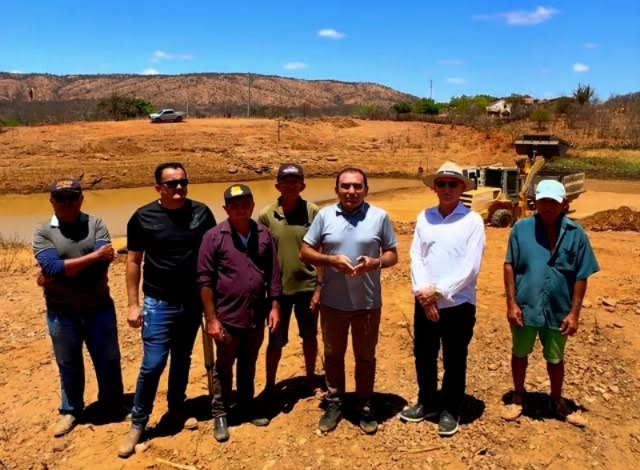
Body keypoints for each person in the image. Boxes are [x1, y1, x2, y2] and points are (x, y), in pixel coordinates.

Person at [118, 163, 216, 458]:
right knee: (153, 363)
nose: (179, 188)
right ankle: (138, 423)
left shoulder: (202, 213)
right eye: (171, 184)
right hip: (158, 302)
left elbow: (213, 255)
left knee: (182, 358)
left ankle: (176, 407)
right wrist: (133, 304)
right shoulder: (142, 217)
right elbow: (133, 261)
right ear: (158, 188)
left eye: (183, 182)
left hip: (192, 302)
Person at [300, 168, 398, 435]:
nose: (351, 191)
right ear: (336, 190)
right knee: (333, 355)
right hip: (333, 303)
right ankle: (335, 401)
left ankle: (364, 402)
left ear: (366, 190)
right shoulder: (324, 216)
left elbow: (392, 254)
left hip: (367, 303)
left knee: (365, 357)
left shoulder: (379, 216)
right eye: (345, 186)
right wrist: (330, 260)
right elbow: (305, 252)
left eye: (357, 186)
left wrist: (375, 262)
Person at [502, 179, 599, 424]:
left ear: (564, 203)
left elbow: (581, 275)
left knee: (555, 358)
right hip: (526, 307)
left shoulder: (577, 235)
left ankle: (556, 399)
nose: (547, 206)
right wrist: (511, 304)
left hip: (558, 310)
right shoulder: (520, 229)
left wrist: (574, 314)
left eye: (553, 202)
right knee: (519, 353)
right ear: (535, 202)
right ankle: (518, 396)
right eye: (543, 201)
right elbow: (509, 265)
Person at [33, 178, 123, 437]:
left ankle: (112, 404)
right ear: (52, 201)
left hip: (99, 308)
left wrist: (60, 271)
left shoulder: (96, 224)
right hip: (62, 313)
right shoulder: (43, 231)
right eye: (61, 198)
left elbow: (101, 265)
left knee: (108, 360)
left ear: (81, 199)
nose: (67, 202)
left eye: (72, 197)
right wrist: (91, 257)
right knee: (68, 362)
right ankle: (71, 410)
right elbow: (52, 267)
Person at [401, 161, 485, 437]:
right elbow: (416, 257)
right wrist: (424, 295)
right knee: (424, 354)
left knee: (454, 357)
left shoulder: (473, 221)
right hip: (424, 301)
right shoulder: (425, 217)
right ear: (434, 187)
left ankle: (451, 408)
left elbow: (470, 267)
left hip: (458, 304)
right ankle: (427, 401)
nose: (447, 188)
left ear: (462, 188)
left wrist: (437, 293)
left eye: (452, 183)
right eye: (442, 183)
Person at [198, 184, 282, 442]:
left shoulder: (264, 234)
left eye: (246, 204)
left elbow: (274, 274)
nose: (241, 209)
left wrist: (275, 307)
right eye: (235, 205)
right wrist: (212, 319)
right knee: (224, 367)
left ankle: (246, 405)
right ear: (226, 209)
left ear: (253, 206)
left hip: (255, 316)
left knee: (248, 363)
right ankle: (220, 413)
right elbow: (205, 281)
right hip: (227, 317)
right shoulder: (213, 237)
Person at [258, 164, 322, 395]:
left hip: (308, 287)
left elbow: (321, 249)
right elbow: (261, 254)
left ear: (303, 186)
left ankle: (310, 379)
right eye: (286, 181)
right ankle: (270, 385)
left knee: (309, 336)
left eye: (295, 181)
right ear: (278, 186)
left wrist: (319, 288)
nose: (291, 186)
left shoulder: (313, 212)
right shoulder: (266, 215)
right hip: (278, 291)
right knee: (275, 340)